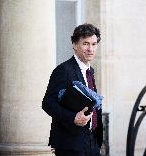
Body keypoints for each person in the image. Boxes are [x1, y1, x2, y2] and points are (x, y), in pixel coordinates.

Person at [42, 23, 103, 156]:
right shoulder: (63, 70)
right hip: (71, 144)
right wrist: (73, 117)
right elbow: (48, 103)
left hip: (92, 142)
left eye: (94, 44)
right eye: (85, 43)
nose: (90, 49)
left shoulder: (90, 71)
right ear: (75, 45)